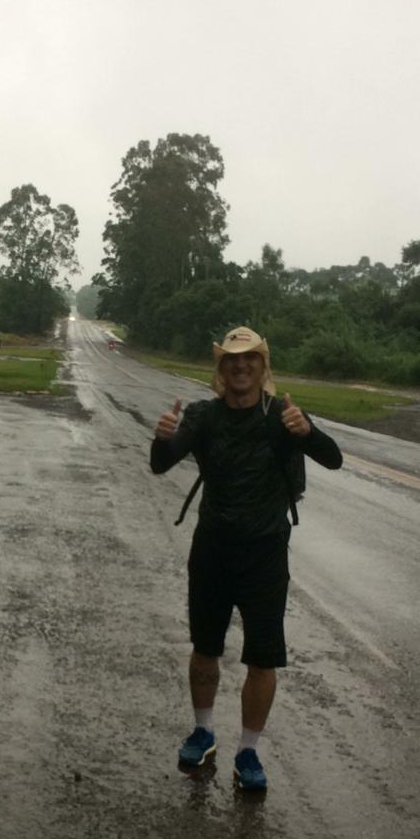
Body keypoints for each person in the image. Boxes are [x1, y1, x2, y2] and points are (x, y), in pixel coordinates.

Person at [150, 326, 343, 791]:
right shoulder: (203, 416)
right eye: (232, 359)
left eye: (249, 358)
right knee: (204, 650)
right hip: (212, 551)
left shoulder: (284, 416)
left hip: (265, 555)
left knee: (262, 658)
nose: (240, 366)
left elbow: (334, 459)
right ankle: (203, 732)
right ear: (221, 368)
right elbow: (161, 463)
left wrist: (308, 432)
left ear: (262, 366)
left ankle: (248, 751)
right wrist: (162, 438)